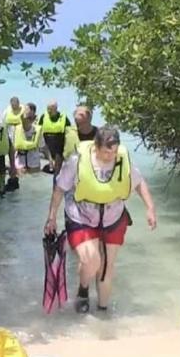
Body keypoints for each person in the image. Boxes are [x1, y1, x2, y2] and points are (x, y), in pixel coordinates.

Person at [44, 126, 157, 313]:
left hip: (113, 216)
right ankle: (83, 288)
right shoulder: (77, 160)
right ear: (96, 147)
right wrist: (51, 217)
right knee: (92, 260)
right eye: (106, 152)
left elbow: (138, 183)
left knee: (107, 267)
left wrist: (150, 208)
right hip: (82, 216)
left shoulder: (123, 159)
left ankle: (103, 314)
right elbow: (59, 189)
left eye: (113, 151)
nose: (110, 156)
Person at [38, 100, 71, 173]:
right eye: (48, 108)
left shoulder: (63, 117)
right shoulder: (44, 116)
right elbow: (38, 130)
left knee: (57, 168)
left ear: (55, 108)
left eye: (50, 109)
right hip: (46, 143)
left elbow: (70, 131)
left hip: (59, 144)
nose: (48, 111)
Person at [14, 107, 43, 174]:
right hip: (20, 164)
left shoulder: (38, 130)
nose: (30, 120)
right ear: (22, 117)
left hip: (34, 164)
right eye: (28, 117)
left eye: (32, 118)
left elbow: (43, 146)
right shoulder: (15, 130)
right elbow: (11, 149)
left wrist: (50, 159)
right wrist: (12, 165)